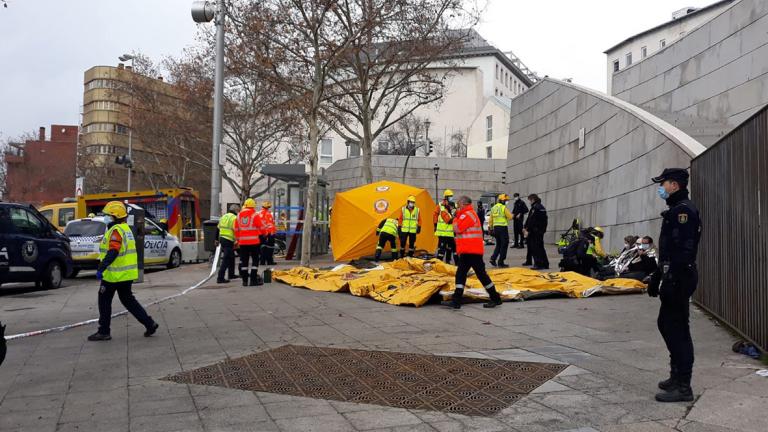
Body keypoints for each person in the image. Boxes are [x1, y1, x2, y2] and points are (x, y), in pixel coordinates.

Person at [647, 168, 701, 403]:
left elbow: (684, 251)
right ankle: (676, 375)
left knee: (676, 328)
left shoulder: (684, 211)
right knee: (669, 325)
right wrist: (658, 276)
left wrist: (672, 279)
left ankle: (683, 385)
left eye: (664, 183)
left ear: (675, 185)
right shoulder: (675, 210)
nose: (661, 187)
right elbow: (667, 251)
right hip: (673, 276)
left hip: (680, 277)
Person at [88, 201, 158, 341]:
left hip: (114, 275)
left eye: (107, 215)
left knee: (104, 301)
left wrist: (102, 267)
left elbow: (113, 251)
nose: (105, 217)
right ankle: (149, 323)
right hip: (126, 275)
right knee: (129, 301)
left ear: (114, 216)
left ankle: (103, 331)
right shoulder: (125, 229)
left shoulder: (116, 231)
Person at [443, 196, 502, 309]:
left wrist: (454, 218)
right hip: (471, 250)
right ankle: (494, 298)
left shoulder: (467, 214)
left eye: (459, 203)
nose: (457, 205)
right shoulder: (467, 214)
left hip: (470, 250)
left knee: (466, 274)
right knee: (471, 274)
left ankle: (457, 301)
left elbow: (457, 229)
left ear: (464, 203)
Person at [234, 198, 264, 287]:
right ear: (253, 206)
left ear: (245, 205)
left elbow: (236, 229)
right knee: (255, 260)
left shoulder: (239, 215)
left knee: (244, 261)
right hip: (254, 242)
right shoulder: (255, 215)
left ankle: (245, 281)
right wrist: (264, 235)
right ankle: (253, 280)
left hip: (243, 243)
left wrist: (238, 240)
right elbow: (261, 227)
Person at [524, 193, 549, 270]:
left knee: (535, 248)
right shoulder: (542, 207)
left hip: (535, 231)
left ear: (533, 199)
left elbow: (532, 220)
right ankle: (545, 263)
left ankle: (538, 264)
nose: (529, 202)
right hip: (540, 231)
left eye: (530, 200)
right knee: (541, 247)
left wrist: (527, 229)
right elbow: (545, 220)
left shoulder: (535, 208)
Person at [216, 204, 239, 284]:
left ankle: (231, 274)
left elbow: (218, 228)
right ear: (236, 210)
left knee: (231, 257)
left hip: (222, 238)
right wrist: (237, 241)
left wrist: (216, 239)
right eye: (238, 211)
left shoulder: (223, 216)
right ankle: (220, 277)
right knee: (226, 258)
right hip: (229, 239)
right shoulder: (234, 218)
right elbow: (236, 230)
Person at [433, 189, 458, 264]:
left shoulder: (454, 205)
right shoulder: (440, 206)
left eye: (451, 196)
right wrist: (435, 225)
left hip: (450, 232)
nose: (451, 198)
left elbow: (458, 213)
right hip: (442, 232)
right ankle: (438, 263)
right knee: (442, 249)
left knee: (452, 247)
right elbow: (435, 216)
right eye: (449, 196)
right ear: (445, 197)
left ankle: (450, 261)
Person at [489, 194, 513, 267]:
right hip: (503, 228)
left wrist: (491, 228)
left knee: (499, 244)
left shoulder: (493, 208)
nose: (506, 202)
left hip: (496, 228)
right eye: (506, 200)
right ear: (502, 200)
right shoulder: (503, 207)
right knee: (504, 244)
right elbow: (510, 217)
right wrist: (513, 216)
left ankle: (493, 258)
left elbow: (491, 219)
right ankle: (501, 262)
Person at [259, 201, 277, 266]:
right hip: (269, 233)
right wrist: (272, 232)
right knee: (270, 247)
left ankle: (262, 261)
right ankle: (269, 261)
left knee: (262, 247)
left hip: (261, 234)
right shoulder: (268, 214)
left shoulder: (259, 213)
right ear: (268, 207)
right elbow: (270, 225)